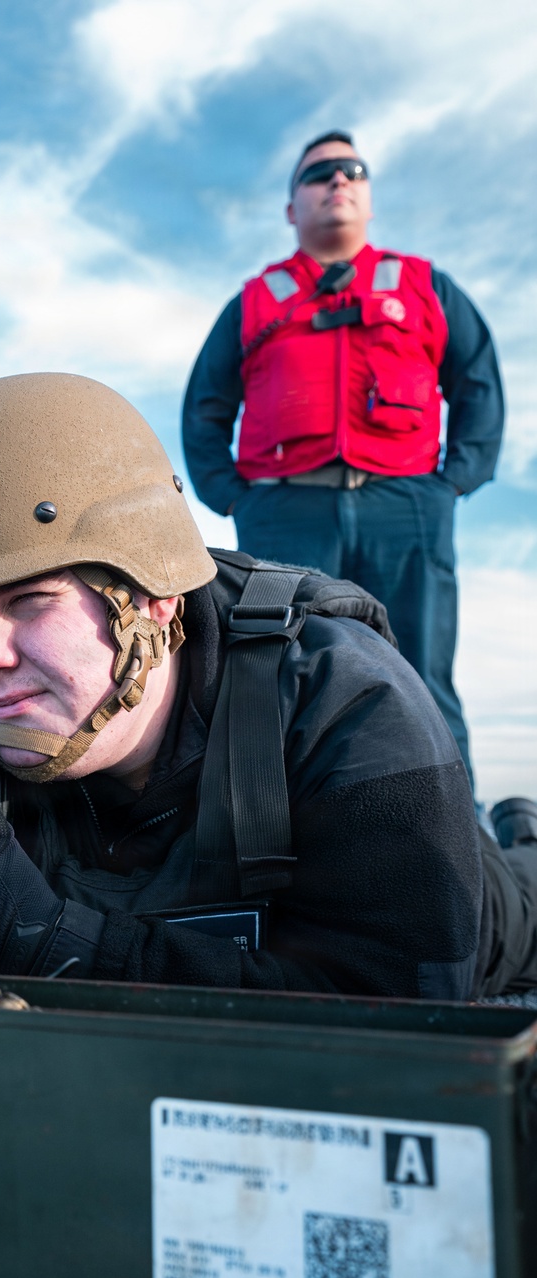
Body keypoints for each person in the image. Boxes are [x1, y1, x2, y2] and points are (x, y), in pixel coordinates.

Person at [0, 372, 536, 1018]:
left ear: (154, 600)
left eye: (31, 601)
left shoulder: (342, 698)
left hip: (489, 917)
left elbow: (404, 1019)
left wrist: (49, 944)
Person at [180, 129, 504, 797]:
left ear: (368, 197)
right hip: (285, 514)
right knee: (273, 673)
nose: (338, 179)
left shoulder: (423, 286)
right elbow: (205, 405)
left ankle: (462, 854)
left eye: (352, 171)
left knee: (422, 677)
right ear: (291, 209)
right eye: (319, 172)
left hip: (406, 507)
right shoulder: (255, 301)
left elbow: (478, 382)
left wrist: (454, 482)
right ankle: (268, 847)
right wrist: (236, 496)